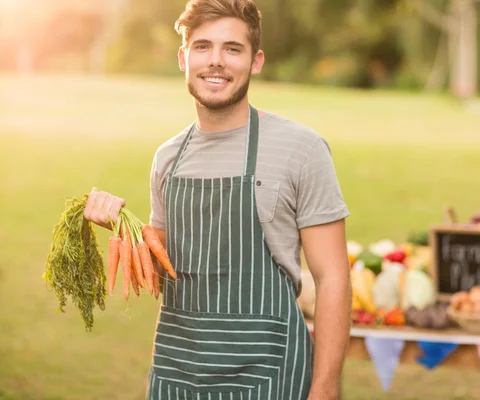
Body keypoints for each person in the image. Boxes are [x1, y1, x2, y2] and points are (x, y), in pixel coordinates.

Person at [83, 0, 352, 399]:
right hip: (179, 373)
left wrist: (325, 388)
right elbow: (164, 276)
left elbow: (333, 279)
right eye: (203, 46)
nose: (216, 61)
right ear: (183, 58)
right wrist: (121, 227)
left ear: (256, 61)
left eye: (232, 48)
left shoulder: (301, 149)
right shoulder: (168, 159)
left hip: (270, 374)